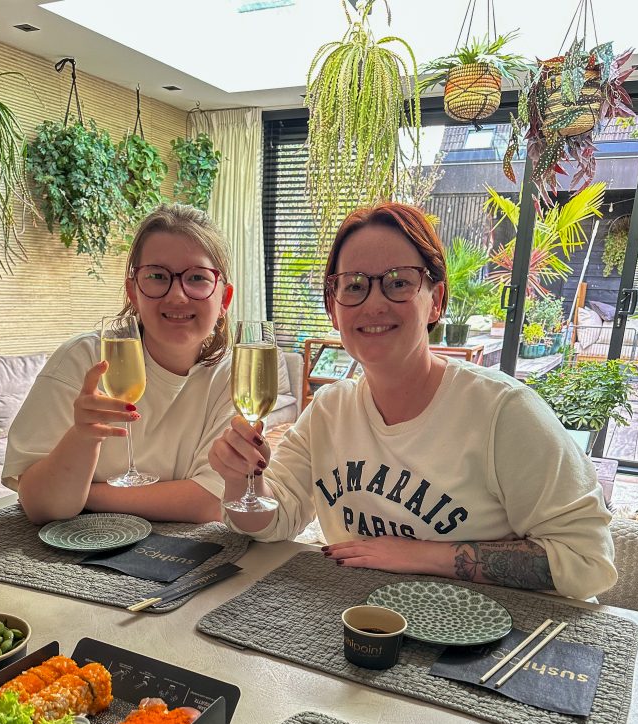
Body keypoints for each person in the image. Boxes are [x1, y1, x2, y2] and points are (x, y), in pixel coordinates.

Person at [209, 201, 617, 601]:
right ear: (334, 309)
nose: (373, 302)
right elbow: (274, 521)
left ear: (435, 300)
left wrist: (422, 555)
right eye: (353, 285)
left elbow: (589, 561)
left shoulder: (504, 412)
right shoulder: (328, 412)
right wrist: (241, 480)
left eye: (398, 282)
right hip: (365, 628)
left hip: (491, 644)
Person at [4, 204, 235, 525]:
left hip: (180, 561)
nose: (178, 295)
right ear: (134, 291)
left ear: (224, 298)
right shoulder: (84, 360)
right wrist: (83, 437)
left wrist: (84, 494)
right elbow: (41, 507)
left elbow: (209, 502)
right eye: (157, 276)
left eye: (197, 277)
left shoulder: (232, 375)